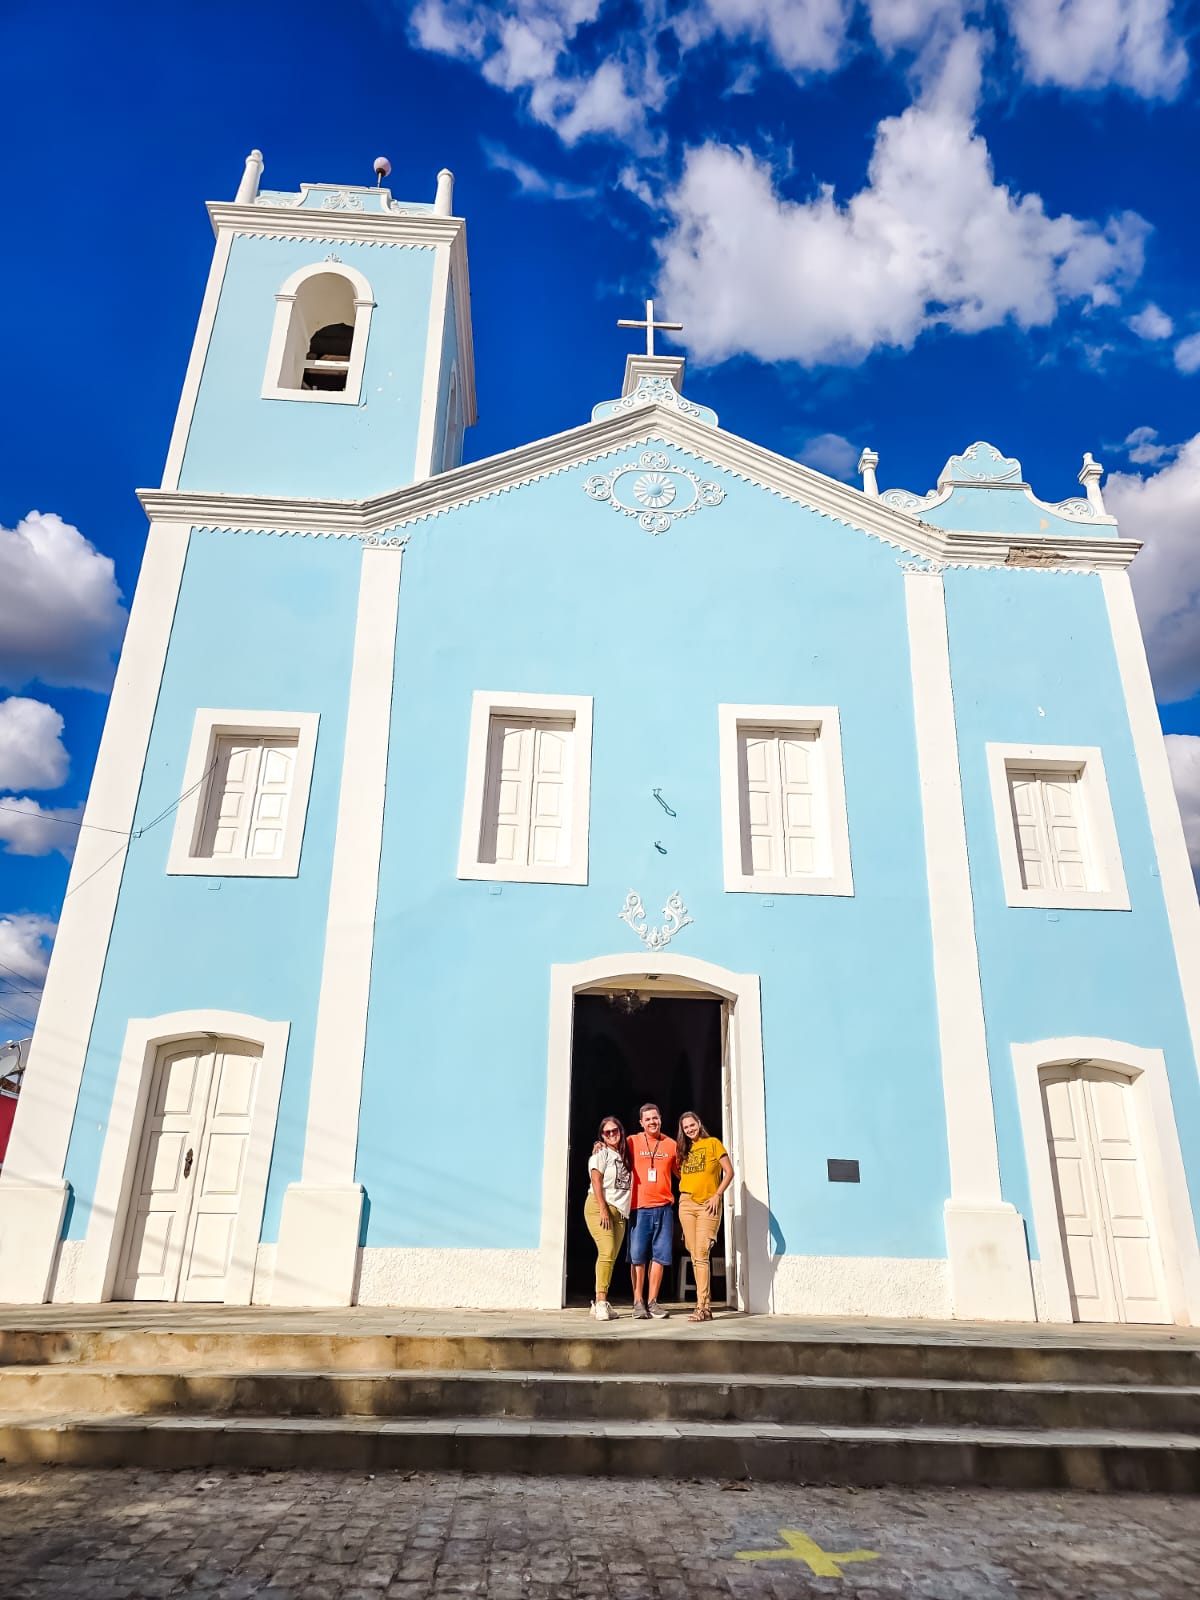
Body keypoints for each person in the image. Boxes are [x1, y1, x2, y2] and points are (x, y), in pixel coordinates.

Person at [676, 1110, 733, 1323]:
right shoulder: (684, 1150)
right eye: (686, 1127)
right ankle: (704, 1306)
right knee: (693, 1252)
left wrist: (717, 1195)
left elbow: (729, 1171)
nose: (690, 1129)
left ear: (699, 1123)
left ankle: (703, 1306)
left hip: (708, 1205)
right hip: (686, 1203)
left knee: (701, 1252)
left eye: (692, 1125)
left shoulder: (713, 1144)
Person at [626, 1103, 678, 1320]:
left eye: (655, 1118)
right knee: (638, 1257)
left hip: (664, 1208)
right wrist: (598, 1145)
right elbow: (612, 1147)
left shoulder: (671, 1144)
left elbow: (683, 1173)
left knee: (659, 1257)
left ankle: (653, 1302)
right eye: (647, 1119)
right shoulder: (632, 1141)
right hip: (640, 1208)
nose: (652, 1122)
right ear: (641, 1122)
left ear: (661, 1118)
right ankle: (638, 1302)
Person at [584, 1115, 632, 1320]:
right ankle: (601, 1301)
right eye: (607, 1132)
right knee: (607, 1251)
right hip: (598, 1206)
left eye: (615, 1130)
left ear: (621, 1131)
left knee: (611, 1257)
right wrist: (603, 1207)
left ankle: (598, 1303)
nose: (611, 1134)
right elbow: (596, 1180)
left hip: (620, 1211)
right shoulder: (600, 1154)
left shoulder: (627, 1153)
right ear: (602, 1136)